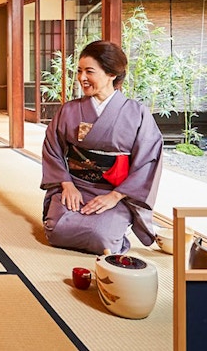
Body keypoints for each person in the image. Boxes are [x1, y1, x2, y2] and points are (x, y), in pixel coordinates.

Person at [40, 40, 163, 255]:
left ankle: (116, 221)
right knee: (56, 230)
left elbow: (148, 161)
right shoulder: (69, 110)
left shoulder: (137, 113)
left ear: (112, 74)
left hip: (114, 192)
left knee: (102, 238)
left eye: (89, 71)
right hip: (75, 187)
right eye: (79, 71)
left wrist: (115, 196)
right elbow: (52, 148)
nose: (81, 78)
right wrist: (66, 184)